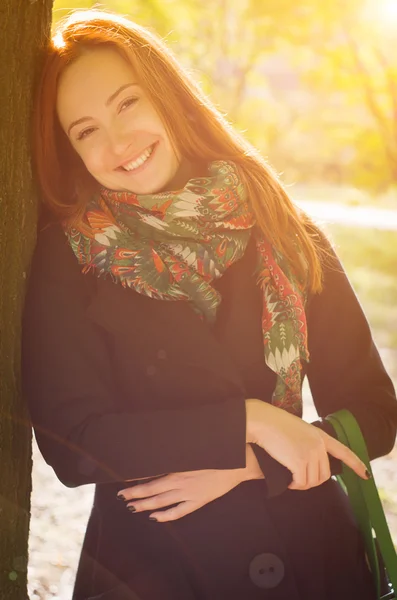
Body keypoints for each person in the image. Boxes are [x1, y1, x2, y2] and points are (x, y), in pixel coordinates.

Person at [22, 9, 397, 600]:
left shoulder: (284, 228)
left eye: (128, 103)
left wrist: (253, 463)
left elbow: (375, 411)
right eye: (86, 130)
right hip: (154, 571)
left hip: (314, 562)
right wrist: (251, 421)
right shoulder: (71, 254)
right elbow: (73, 441)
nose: (118, 143)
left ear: (168, 96)